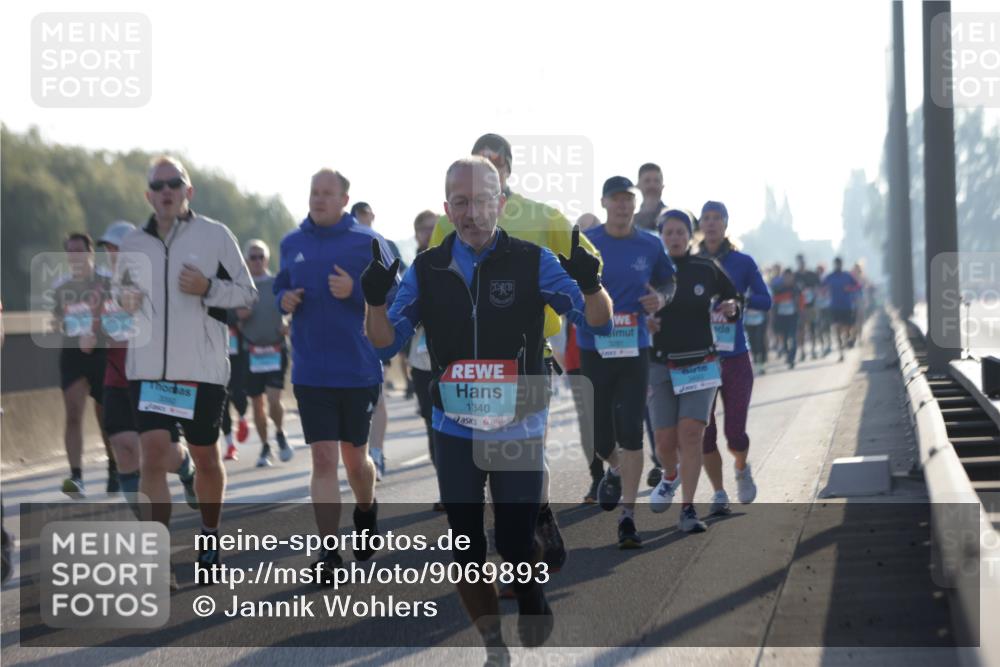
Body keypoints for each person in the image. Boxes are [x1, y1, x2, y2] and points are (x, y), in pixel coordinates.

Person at [365, 156, 612, 659]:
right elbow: (383, 344)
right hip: (453, 421)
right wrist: (373, 302)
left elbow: (599, 323)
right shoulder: (427, 268)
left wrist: (591, 284)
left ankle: (530, 591)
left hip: (518, 417)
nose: (472, 212)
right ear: (446, 209)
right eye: (461, 202)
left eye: (481, 200)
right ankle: (493, 644)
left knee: (516, 541)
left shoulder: (532, 259)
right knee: (466, 547)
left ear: (501, 203)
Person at [428, 133, 602, 571]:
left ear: (507, 168)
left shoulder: (541, 216)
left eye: (492, 162)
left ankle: (530, 524)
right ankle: (521, 530)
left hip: (527, 356)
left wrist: (570, 276)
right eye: (477, 161)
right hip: (467, 363)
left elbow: (587, 260)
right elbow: (432, 280)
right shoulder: (449, 221)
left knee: (519, 456)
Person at [115, 156, 258, 581]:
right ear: (148, 195)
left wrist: (208, 288)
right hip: (149, 373)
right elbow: (117, 305)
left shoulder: (215, 235)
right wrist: (124, 304)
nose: (165, 191)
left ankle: (210, 537)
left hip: (200, 372)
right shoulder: (132, 245)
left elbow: (247, 295)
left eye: (173, 183)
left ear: (187, 191)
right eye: (157, 185)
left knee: (206, 459)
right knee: (153, 456)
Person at [274, 168, 393, 577]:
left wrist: (357, 292)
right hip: (310, 370)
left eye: (327, 193)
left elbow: (398, 293)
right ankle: (328, 553)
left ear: (345, 200)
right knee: (323, 459)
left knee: (355, 461)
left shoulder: (369, 242)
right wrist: (283, 298)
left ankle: (366, 507)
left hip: (357, 370)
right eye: (313, 192)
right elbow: (279, 286)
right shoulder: (292, 242)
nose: (318, 199)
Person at [579, 176, 676, 548]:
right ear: (604, 203)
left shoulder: (650, 245)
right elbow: (570, 288)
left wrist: (662, 300)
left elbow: (669, 283)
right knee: (600, 436)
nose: (623, 205)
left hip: (634, 347)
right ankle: (615, 469)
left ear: (635, 204)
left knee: (631, 429)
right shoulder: (589, 244)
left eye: (628, 200)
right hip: (594, 347)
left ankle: (628, 516)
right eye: (616, 200)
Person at [97, 221, 197, 557]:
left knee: (163, 456)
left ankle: (186, 468)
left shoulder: (157, 281)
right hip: (117, 379)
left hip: (156, 379)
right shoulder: (97, 287)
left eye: (117, 248)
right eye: (108, 249)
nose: (112, 254)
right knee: (124, 450)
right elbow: (90, 329)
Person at [647, 209, 740, 532]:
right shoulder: (650, 269)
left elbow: (732, 298)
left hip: (701, 363)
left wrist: (731, 308)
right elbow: (625, 304)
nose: (674, 238)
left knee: (691, 434)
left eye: (680, 232)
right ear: (660, 235)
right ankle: (669, 474)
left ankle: (688, 509)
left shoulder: (705, 267)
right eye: (668, 232)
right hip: (660, 363)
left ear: (690, 236)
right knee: (664, 442)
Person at [696, 201, 771, 515]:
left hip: (735, 356)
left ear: (726, 225)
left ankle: (741, 467)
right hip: (699, 359)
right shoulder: (689, 263)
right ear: (700, 224)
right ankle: (718, 492)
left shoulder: (742, 262)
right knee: (705, 431)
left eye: (717, 219)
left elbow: (765, 300)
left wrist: (738, 301)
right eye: (707, 218)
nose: (712, 224)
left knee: (735, 432)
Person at [52, 232, 117, 497]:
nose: (75, 256)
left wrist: (96, 331)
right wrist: (73, 329)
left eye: (79, 251)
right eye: (70, 252)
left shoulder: (107, 280)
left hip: (103, 352)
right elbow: (58, 320)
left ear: (90, 252)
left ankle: (114, 468)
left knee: (105, 418)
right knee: (74, 413)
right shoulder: (61, 286)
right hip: (74, 354)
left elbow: (119, 317)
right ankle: (76, 475)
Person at [350, 200, 399, 480]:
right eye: (356, 216)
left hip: (377, 331)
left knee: (377, 394)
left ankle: (376, 454)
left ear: (372, 217)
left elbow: (398, 290)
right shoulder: (344, 246)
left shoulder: (384, 243)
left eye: (364, 215)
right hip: (349, 335)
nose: (360, 220)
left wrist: (387, 320)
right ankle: (361, 456)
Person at [237, 239, 293, 467]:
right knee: (257, 404)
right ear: (246, 260)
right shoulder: (240, 285)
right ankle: (265, 447)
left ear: (267, 259)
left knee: (273, 398)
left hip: (276, 347)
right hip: (250, 350)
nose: (258, 261)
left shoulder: (277, 282)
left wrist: (288, 323)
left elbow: (294, 306)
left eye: (261, 257)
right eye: (253, 257)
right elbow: (229, 314)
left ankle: (279, 432)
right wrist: (239, 314)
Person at [405, 210, 443, 511]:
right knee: (432, 424)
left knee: (458, 422)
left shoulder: (452, 259)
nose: (428, 234)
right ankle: (447, 487)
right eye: (423, 230)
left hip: (453, 359)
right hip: (421, 361)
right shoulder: (411, 268)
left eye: (433, 228)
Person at [221, 310, 249, 461]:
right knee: (221, 402)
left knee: (238, 394)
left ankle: (243, 417)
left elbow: (243, 315)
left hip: (237, 357)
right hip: (216, 359)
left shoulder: (234, 293)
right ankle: (230, 445)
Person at [822, 257, 861, 361]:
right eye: (836, 264)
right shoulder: (830, 276)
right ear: (834, 264)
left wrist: (850, 289)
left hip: (847, 306)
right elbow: (821, 286)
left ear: (841, 264)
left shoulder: (847, 276)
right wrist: (824, 291)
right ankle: (841, 353)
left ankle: (848, 337)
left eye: (839, 264)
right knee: (837, 328)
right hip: (834, 306)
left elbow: (858, 286)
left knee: (847, 328)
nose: (838, 265)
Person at [771, 268, 801, 368]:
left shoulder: (796, 288)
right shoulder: (778, 289)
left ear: (792, 277)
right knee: (784, 339)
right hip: (781, 318)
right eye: (786, 277)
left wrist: (801, 314)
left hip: (793, 317)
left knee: (793, 338)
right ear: (783, 277)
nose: (788, 279)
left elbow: (800, 303)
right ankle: (787, 354)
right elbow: (774, 303)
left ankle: (792, 358)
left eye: (790, 276)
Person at [794, 254, 821, 361]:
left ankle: (813, 350)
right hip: (800, 307)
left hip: (812, 305)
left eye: (803, 261)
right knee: (801, 330)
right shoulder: (795, 276)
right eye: (800, 261)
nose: (801, 263)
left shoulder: (812, 274)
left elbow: (819, 286)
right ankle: (803, 352)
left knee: (813, 328)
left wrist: (814, 292)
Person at [632, 163, 667, 232]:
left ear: (662, 186)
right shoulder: (629, 223)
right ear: (637, 186)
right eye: (647, 181)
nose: (652, 185)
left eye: (656, 181)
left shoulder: (677, 219)